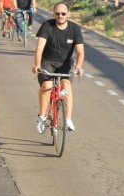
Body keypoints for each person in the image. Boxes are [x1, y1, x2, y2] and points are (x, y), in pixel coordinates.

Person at [32, 2, 84, 134]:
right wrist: (37, 65)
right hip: (47, 62)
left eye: (63, 14)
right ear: (53, 14)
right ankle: (42, 117)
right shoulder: (47, 26)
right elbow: (39, 48)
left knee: (66, 87)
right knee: (47, 86)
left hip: (65, 64)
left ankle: (68, 119)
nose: (60, 16)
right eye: (57, 14)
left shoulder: (75, 29)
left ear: (68, 14)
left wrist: (78, 66)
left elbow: (80, 52)